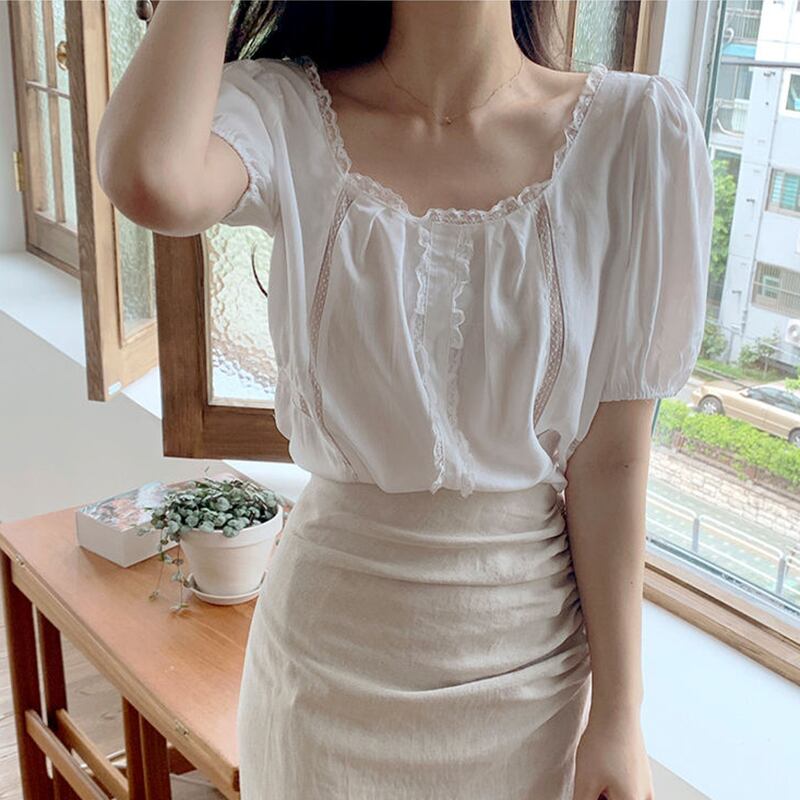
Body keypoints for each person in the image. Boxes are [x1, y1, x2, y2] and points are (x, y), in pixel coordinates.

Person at [96, 1, 714, 798]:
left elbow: (612, 463)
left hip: (528, 684)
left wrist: (621, 713)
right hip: (322, 681)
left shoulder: (635, 134)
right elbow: (150, 177)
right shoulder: (287, 109)